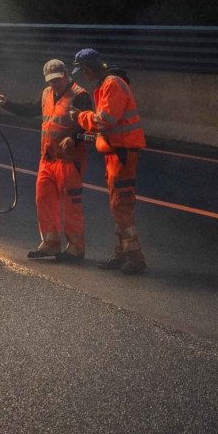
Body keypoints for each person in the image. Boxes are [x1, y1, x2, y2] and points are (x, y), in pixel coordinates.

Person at [71, 48, 146, 273]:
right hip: (117, 151)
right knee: (117, 204)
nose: (82, 76)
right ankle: (121, 254)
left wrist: (80, 117)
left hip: (122, 153)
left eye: (81, 71)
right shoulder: (108, 82)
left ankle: (134, 257)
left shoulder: (112, 84)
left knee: (121, 204)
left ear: (87, 68)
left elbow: (106, 121)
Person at [28, 58, 87, 261]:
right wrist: (5, 103)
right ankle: (51, 243)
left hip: (69, 161)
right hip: (47, 159)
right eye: (50, 80)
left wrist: (73, 138)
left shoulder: (80, 95)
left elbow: (87, 124)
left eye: (57, 79)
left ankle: (76, 247)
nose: (54, 84)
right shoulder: (46, 93)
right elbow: (31, 109)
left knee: (71, 205)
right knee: (43, 199)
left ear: (66, 74)